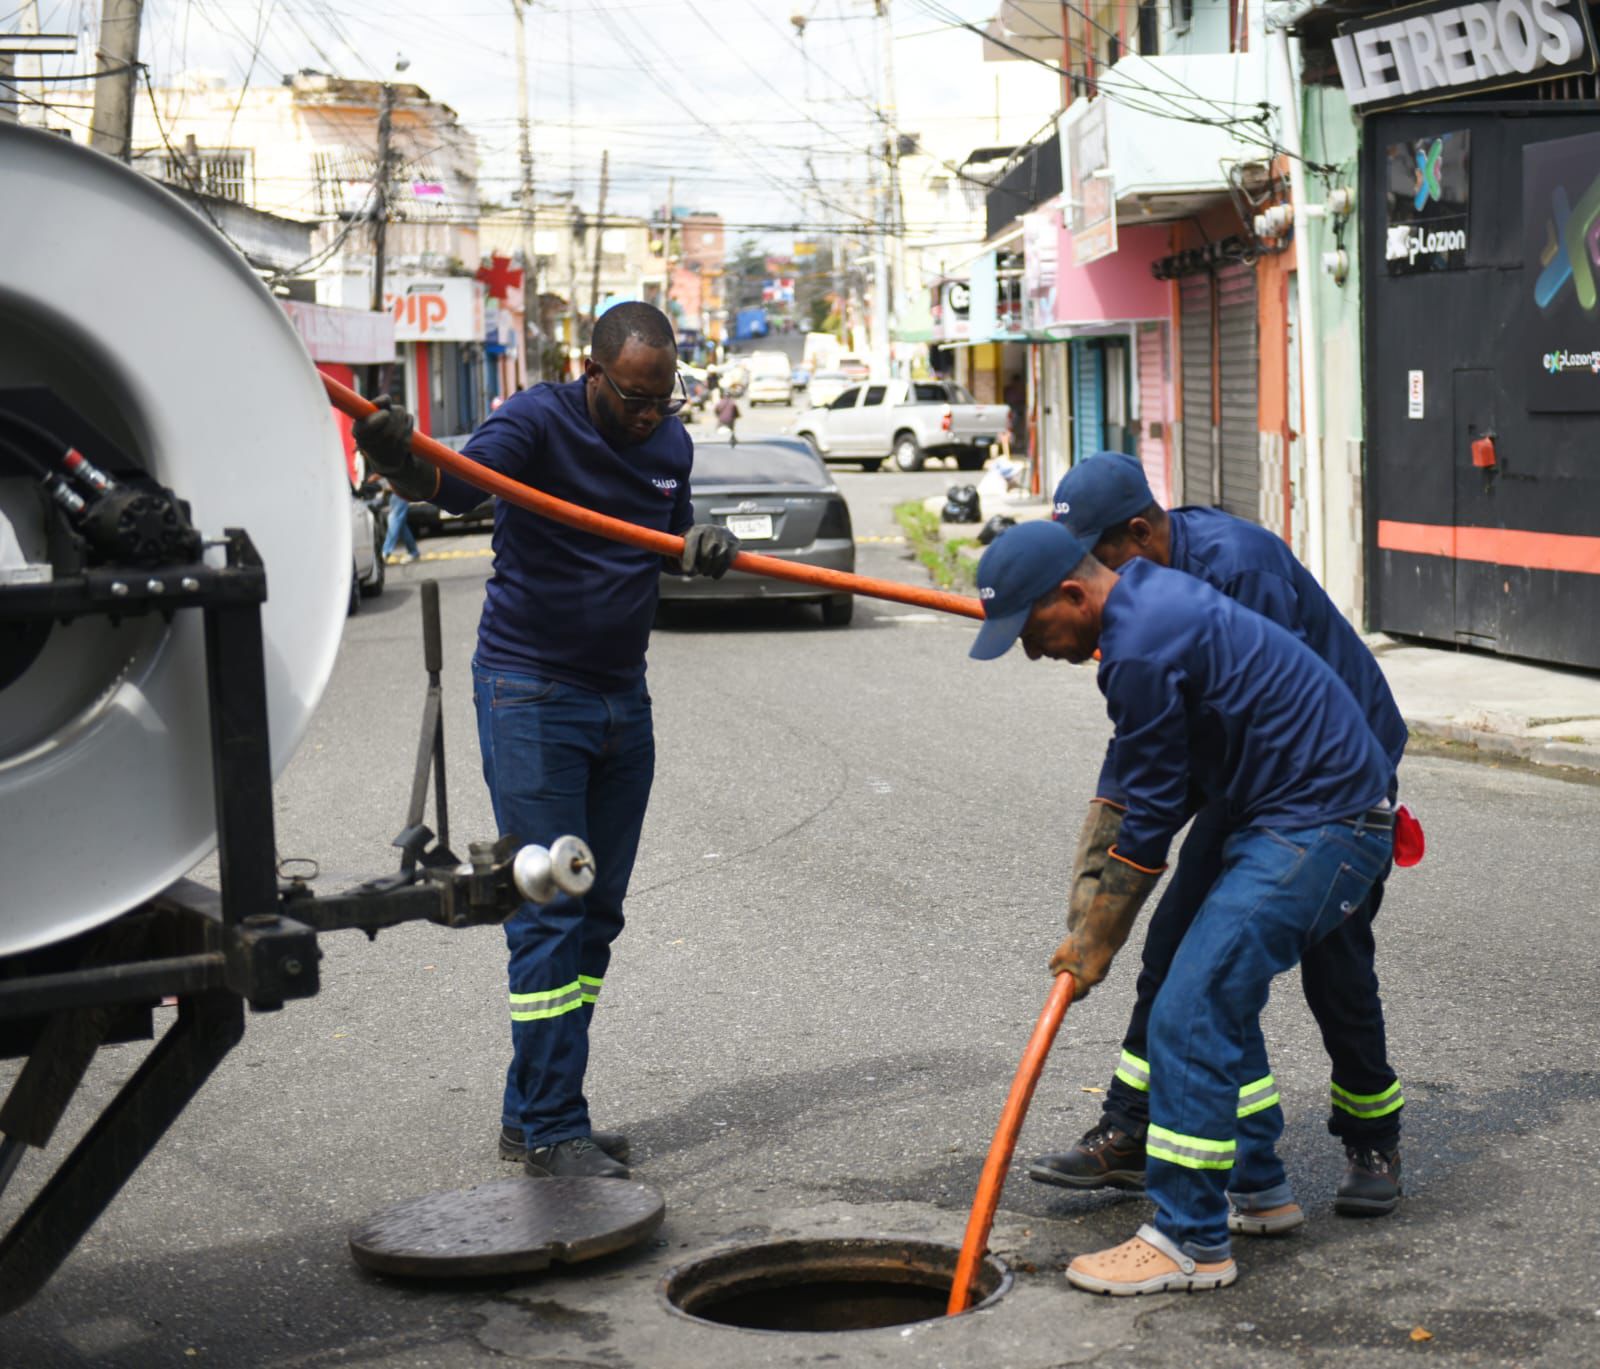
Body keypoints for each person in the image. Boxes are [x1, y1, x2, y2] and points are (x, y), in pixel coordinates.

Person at [353, 302, 740, 1180]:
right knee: (550, 908)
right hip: (531, 692)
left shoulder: (671, 444)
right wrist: (394, 454)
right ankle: (556, 1127)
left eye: (661, 398)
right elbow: (454, 486)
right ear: (592, 372)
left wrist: (701, 541)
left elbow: (671, 528)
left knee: (594, 912)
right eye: (633, 397)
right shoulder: (536, 419)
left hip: (620, 699)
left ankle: (533, 1112)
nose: (648, 415)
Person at [970, 521, 1394, 1293]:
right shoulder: (1143, 607)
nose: (1032, 651)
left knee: (1189, 1007)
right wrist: (1089, 904)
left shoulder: (1139, 645)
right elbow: (1134, 779)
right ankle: (1258, 1186)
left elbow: (1156, 811)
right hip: (1283, 810)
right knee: (1200, 989)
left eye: (1031, 630)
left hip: (1326, 822)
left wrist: (1096, 939)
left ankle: (1187, 1240)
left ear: (1072, 592)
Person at [1035, 452, 1408, 1219]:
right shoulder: (1139, 590)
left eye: (1096, 559)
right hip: (1248, 781)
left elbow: (1248, 720)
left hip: (1331, 785)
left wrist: (1130, 861)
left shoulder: (1240, 570)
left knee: (1330, 969)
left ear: (1138, 533)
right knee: (1177, 949)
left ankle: (1372, 1135)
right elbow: (1144, 734)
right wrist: (1104, 840)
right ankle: (1136, 1126)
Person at [381, 484, 419, 564]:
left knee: (394, 518)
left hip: (400, 487)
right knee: (401, 525)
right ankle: (413, 552)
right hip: (395, 490)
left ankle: (385, 552)